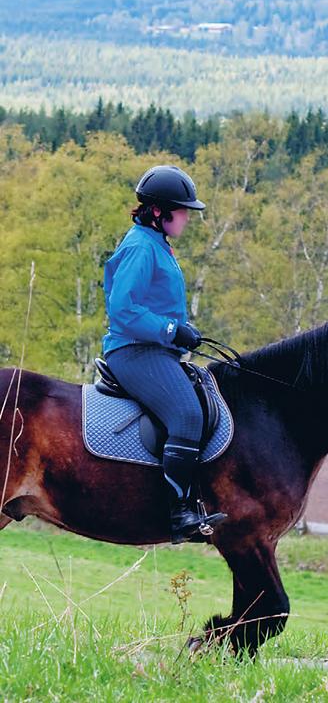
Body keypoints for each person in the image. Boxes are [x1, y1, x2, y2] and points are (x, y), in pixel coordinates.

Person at [102, 165, 227, 544]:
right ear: (158, 212)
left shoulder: (156, 244)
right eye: (183, 210)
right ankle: (180, 514)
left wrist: (178, 334)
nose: (188, 217)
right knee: (187, 415)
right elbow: (123, 309)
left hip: (156, 350)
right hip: (135, 351)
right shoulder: (141, 247)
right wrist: (172, 330)